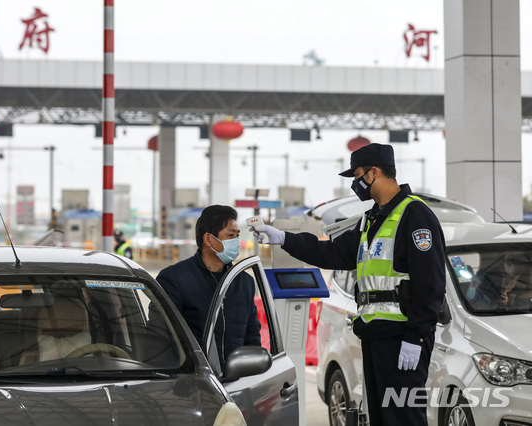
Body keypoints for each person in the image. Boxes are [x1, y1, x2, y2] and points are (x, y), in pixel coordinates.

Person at [254, 143, 445, 426]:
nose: (355, 184)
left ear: (374, 172)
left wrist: (416, 337)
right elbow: (331, 252)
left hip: (401, 338)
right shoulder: (371, 220)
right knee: (381, 418)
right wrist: (283, 238)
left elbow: (430, 283)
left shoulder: (415, 216)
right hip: (374, 335)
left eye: (357, 176)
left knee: (403, 418)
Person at [155, 205, 261, 369]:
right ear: (209, 239)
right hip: (195, 383)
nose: (236, 242)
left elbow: (252, 335)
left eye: (237, 236)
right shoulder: (175, 279)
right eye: (230, 235)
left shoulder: (243, 282)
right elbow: (161, 336)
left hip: (237, 384)